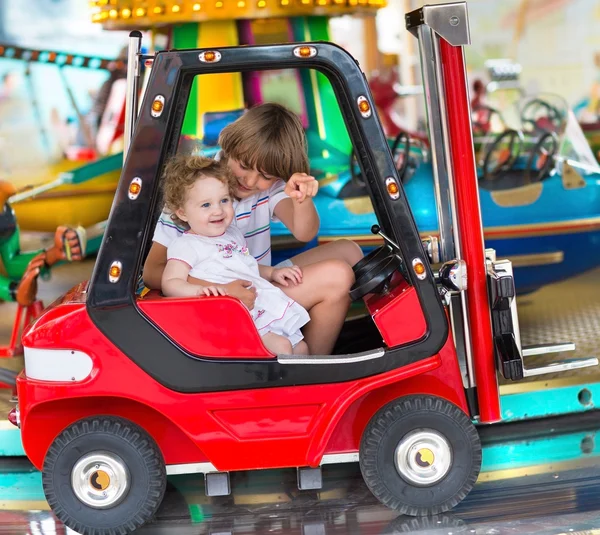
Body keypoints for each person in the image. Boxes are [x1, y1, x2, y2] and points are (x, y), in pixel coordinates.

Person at [143, 102, 364, 355]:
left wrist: (301, 198)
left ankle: (333, 333)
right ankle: (312, 365)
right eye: (245, 166)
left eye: (266, 176)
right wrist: (225, 293)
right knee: (338, 275)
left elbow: (305, 233)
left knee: (350, 251)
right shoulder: (194, 190)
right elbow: (152, 272)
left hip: (257, 278)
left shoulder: (270, 188)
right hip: (234, 296)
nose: (250, 181)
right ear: (230, 146)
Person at [161, 156, 309, 355]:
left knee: (301, 347)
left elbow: (246, 266)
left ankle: (300, 385)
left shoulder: (232, 233)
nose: (218, 211)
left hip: (256, 306)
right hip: (227, 317)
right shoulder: (186, 244)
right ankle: (280, 386)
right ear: (182, 213)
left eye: (224, 200)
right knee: (282, 347)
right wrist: (200, 291)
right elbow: (170, 282)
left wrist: (273, 272)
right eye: (206, 205)